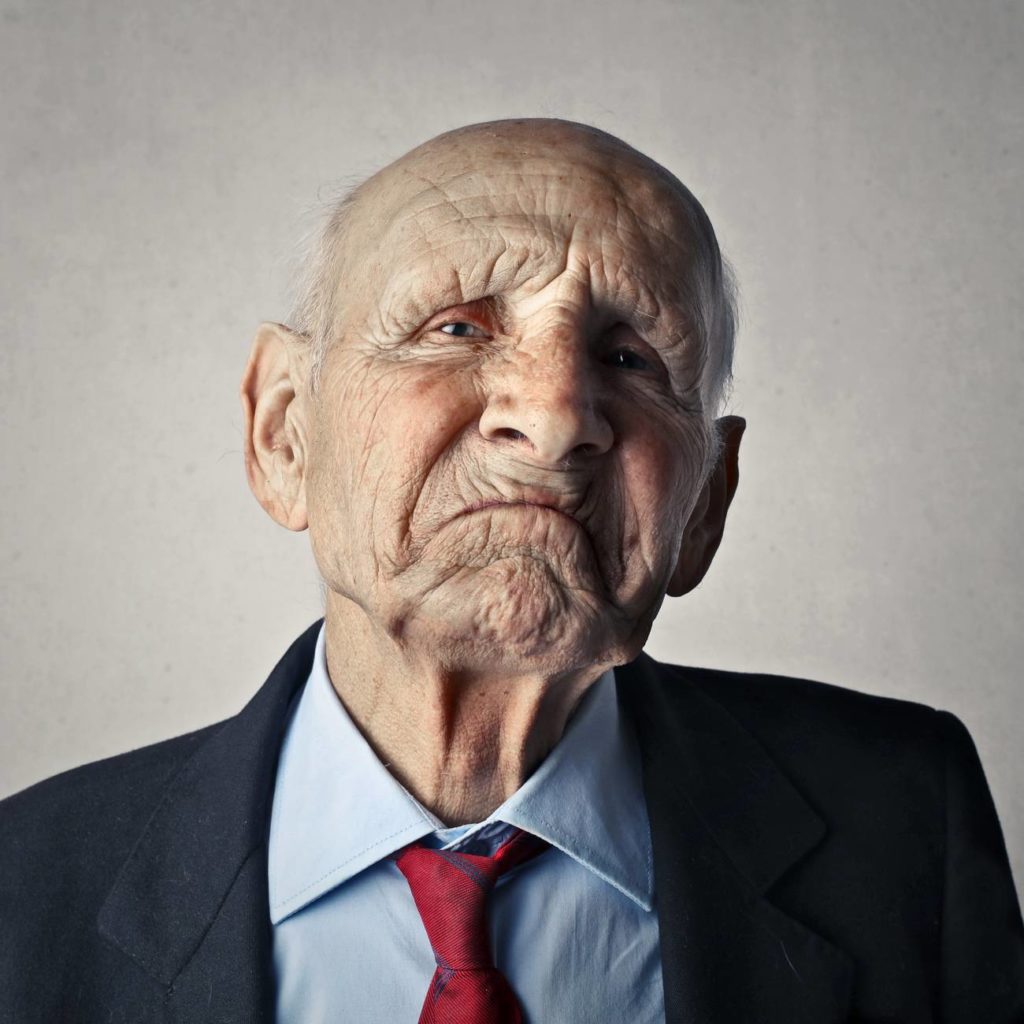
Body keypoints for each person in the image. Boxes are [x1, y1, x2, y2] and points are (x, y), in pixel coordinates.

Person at [1, 118, 1021, 1024]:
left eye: (630, 358)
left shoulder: (904, 822)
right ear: (284, 436)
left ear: (704, 502)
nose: (553, 415)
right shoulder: (26, 881)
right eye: (456, 328)